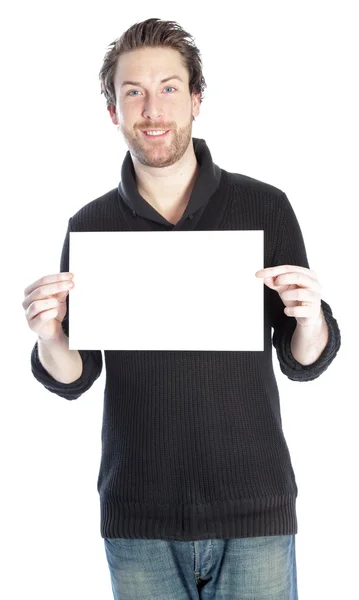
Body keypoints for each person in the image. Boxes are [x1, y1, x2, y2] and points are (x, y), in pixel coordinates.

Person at [24, 18, 341, 600]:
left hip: (256, 508)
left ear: (196, 99)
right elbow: (77, 375)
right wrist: (49, 336)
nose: (152, 108)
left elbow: (303, 362)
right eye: (133, 92)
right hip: (138, 515)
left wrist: (310, 317)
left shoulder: (264, 205)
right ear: (113, 110)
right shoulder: (90, 226)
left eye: (169, 88)